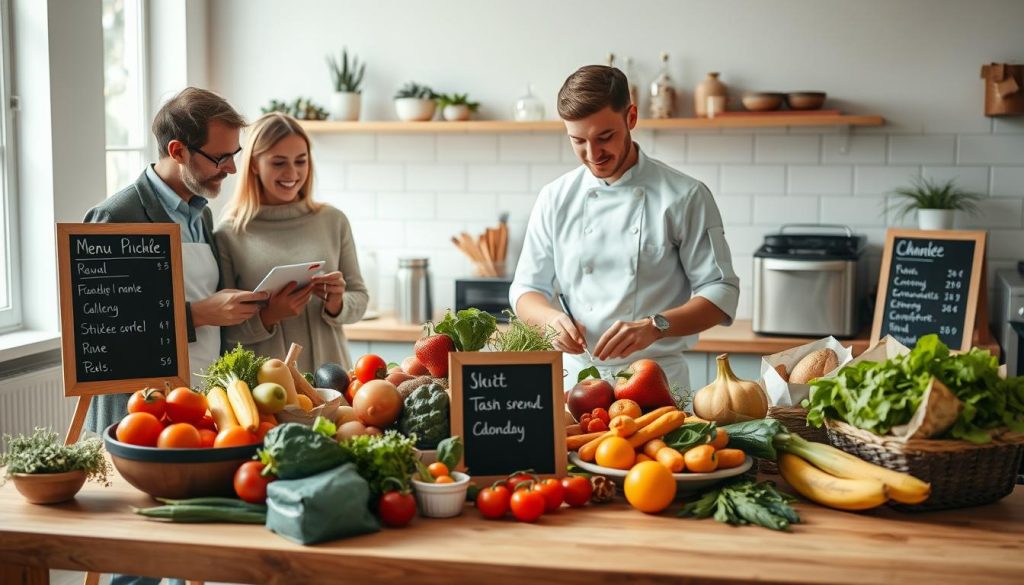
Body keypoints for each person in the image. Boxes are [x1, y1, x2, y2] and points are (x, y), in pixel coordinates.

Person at [83, 89, 265, 584]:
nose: (231, 169)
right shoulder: (116, 216)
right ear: (177, 151)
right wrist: (199, 315)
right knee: (136, 554)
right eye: (220, 156)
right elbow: (104, 330)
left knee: (188, 545)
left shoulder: (200, 212)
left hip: (195, 398)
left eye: (235, 154)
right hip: (138, 409)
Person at [509, 65, 740, 394]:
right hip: (575, 385)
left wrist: (655, 326)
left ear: (631, 117)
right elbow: (525, 290)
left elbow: (721, 293)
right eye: (578, 141)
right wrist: (549, 320)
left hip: (656, 385)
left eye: (605, 137)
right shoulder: (555, 198)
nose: (593, 155)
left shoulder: (685, 196)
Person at [215, 112, 368, 372]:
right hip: (264, 385)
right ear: (254, 164)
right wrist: (268, 316)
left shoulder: (333, 221)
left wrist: (337, 304)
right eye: (278, 163)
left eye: (301, 161)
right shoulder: (230, 233)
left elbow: (360, 298)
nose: (292, 173)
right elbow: (224, 331)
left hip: (332, 379)